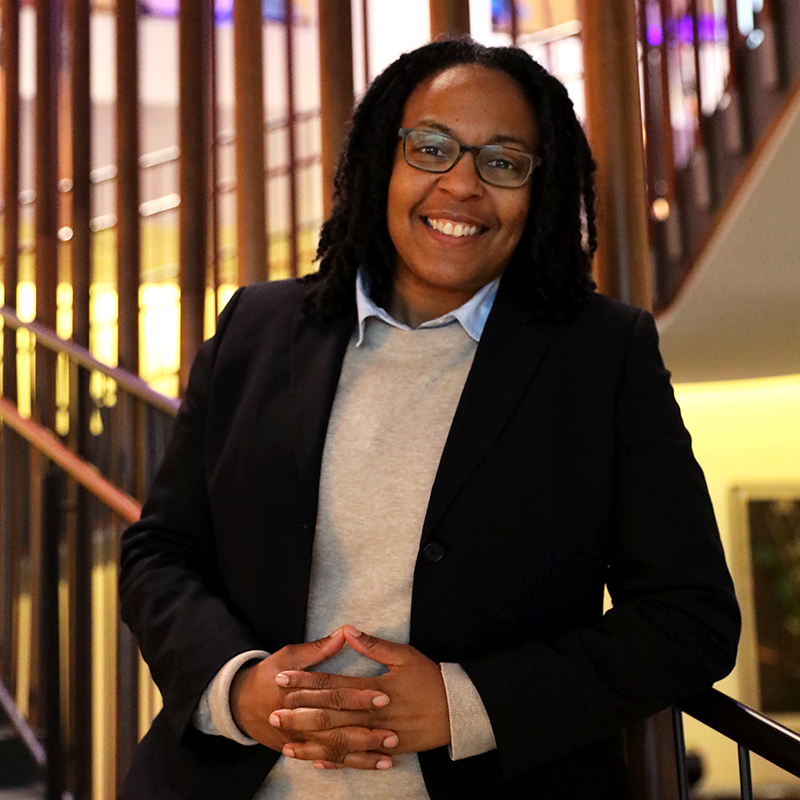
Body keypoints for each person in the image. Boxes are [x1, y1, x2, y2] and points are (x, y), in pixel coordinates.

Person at [118, 38, 740, 800]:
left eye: (503, 162)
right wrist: (237, 688)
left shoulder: (602, 356)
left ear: (538, 190)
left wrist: (466, 703)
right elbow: (161, 552)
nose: (463, 186)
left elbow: (691, 616)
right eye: (432, 148)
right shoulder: (256, 327)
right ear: (385, 159)